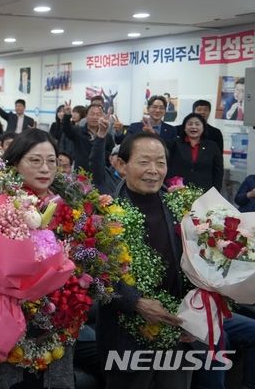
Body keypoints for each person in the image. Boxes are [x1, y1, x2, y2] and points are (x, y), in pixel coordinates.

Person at [99, 133, 191, 389]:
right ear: (121, 165)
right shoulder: (105, 214)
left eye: (160, 163)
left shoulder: (180, 208)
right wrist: (136, 302)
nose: (153, 170)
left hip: (176, 331)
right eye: (144, 162)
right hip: (125, 338)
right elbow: (96, 277)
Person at [0, 128, 76, 388]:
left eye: (51, 161)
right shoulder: (3, 207)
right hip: (10, 321)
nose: (45, 168)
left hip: (57, 324)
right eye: (35, 160)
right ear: (15, 162)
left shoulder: (68, 208)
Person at [167, 113, 223, 191]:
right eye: (190, 124)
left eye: (197, 124)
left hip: (204, 192)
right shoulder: (175, 144)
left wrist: (216, 191)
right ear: (184, 128)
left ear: (203, 128)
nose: (193, 127)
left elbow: (218, 171)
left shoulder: (212, 146)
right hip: (178, 191)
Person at [61, 101, 115, 172]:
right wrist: (67, 115)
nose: (95, 117)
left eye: (98, 114)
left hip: (100, 174)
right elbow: (66, 129)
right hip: (80, 174)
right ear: (86, 115)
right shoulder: (78, 131)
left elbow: (111, 157)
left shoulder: (108, 137)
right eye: (92, 114)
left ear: (102, 116)